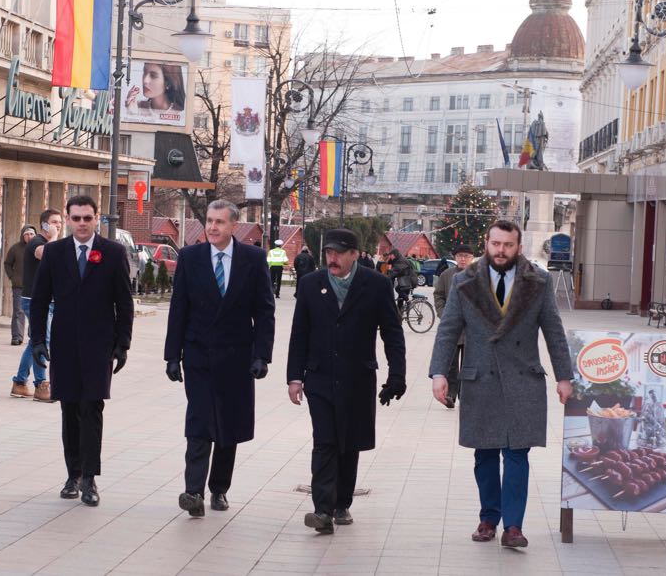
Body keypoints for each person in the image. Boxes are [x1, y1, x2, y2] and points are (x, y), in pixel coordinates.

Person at [429, 220, 572, 549]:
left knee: (518, 454)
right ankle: (488, 519)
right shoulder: (465, 281)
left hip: (524, 380)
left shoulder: (539, 282)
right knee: (485, 454)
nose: (501, 250)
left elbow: (553, 329)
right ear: (486, 243)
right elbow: (449, 329)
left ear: (518, 247)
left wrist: (564, 376)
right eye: (496, 244)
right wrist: (439, 373)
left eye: (508, 245)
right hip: (481, 379)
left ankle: (514, 527)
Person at [287, 228, 406, 534]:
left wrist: (397, 375)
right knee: (325, 440)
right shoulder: (312, 284)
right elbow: (299, 333)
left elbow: (392, 332)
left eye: (339, 252)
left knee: (349, 442)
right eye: (328, 252)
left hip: (357, 376)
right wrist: (294, 378)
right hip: (320, 377)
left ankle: (342, 504)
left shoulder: (376, 285)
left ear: (355, 254)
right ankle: (322, 510)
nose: (332, 258)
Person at [165, 200, 275, 516]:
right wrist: (172, 356)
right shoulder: (190, 257)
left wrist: (262, 356)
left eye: (219, 222)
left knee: (228, 426)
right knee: (199, 423)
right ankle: (192, 492)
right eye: (209, 221)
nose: (212, 227)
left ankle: (219, 489)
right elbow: (178, 309)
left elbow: (264, 311)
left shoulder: (253, 259)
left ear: (233, 226)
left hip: (237, 357)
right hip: (199, 354)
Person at [30, 195, 134, 507]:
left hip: (98, 345)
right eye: (76, 218)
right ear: (68, 219)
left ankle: (90, 478)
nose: (81, 224)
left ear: (97, 218)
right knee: (69, 409)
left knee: (92, 409)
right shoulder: (54, 253)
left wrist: (122, 344)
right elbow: (39, 300)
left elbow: (124, 303)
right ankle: (72, 474)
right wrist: (37, 340)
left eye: (87, 218)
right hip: (63, 344)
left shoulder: (113, 252)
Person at [11, 209, 63, 402]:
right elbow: (46, 254)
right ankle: (41, 386)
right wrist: (56, 236)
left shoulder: (51, 242)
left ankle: (19, 382)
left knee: (36, 341)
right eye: (54, 222)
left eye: (59, 222)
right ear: (44, 224)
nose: (58, 225)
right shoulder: (36, 242)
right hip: (33, 301)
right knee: (44, 340)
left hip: (48, 300)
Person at [432, 244, 475, 409]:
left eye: (466, 256)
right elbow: (438, 295)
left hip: (471, 329)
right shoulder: (447, 275)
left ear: (472, 258)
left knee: (468, 363)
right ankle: (450, 394)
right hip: (452, 329)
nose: (463, 259)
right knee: (450, 363)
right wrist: (444, 315)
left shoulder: (479, 276)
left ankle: (466, 395)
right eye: (460, 256)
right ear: (455, 258)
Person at [3, 226, 36, 346]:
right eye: (27, 234)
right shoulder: (15, 248)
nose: (29, 236)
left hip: (35, 286)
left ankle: (34, 336)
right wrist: (12, 277)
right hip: (19, 286)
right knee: (18, 311)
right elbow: (7, 264)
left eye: (32, 234)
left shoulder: (39, 248)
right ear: (22, 235)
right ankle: (17, 337)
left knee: (35, 312)